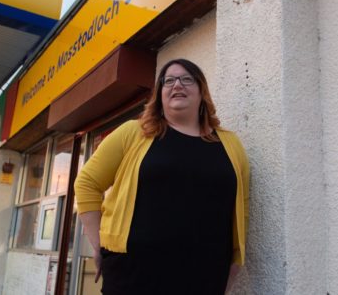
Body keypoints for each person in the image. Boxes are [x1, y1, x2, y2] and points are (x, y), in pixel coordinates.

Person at [74, 58, 249, 295]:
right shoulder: (132, 133)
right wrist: (97, 243)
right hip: (134, 275)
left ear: (202, 92)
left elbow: (241, 204)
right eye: (169, 81)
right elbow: (87, 183)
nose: (178, 85)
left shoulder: (230, 144)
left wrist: (236, 261)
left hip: (205, 274)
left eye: (187, 79)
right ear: (159, 95)